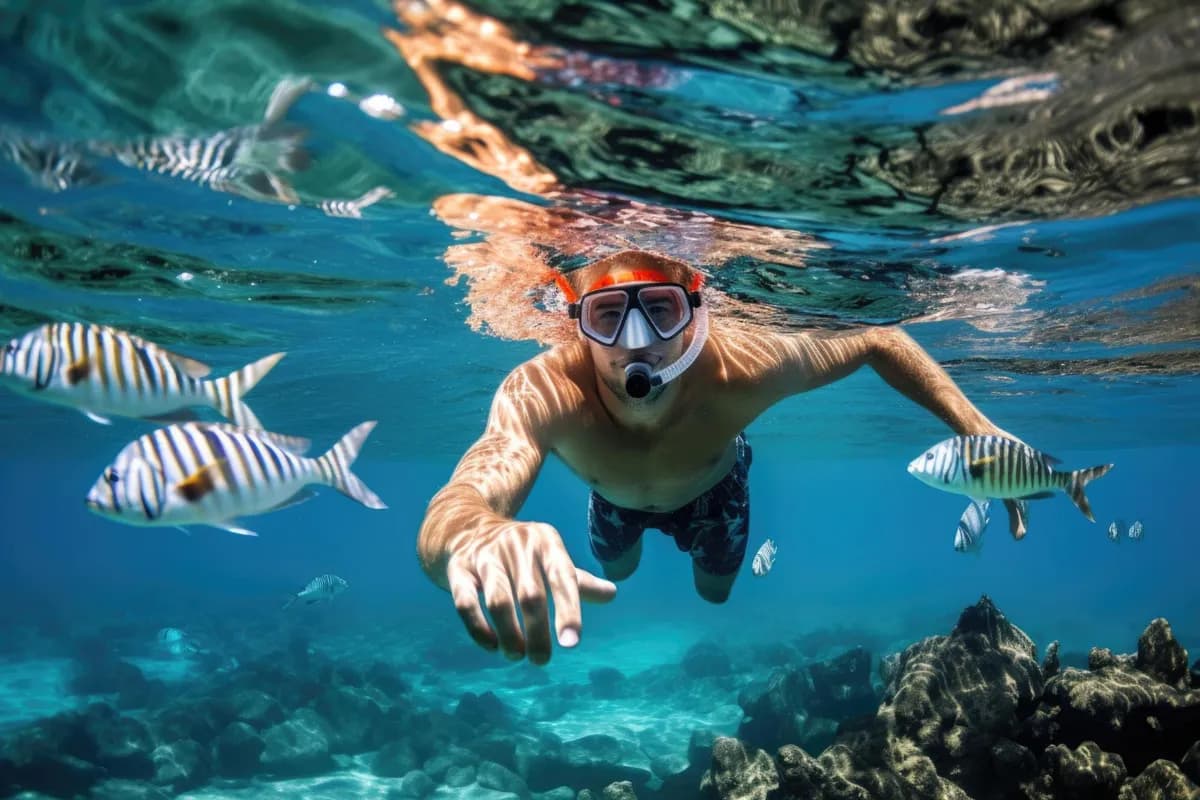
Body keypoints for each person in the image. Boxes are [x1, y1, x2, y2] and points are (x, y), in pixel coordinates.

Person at [417, 250, 1022, 664]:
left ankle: (734, 462)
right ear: (577, 324)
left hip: (716, 489)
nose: (638, 341)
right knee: (617, 575)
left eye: (660, 309)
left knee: (715, 594)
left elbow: (877, 338)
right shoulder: (545, 389)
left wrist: (976, 427)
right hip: (615, 499)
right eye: (607, 315)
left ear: (693, 317)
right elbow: (472, 484)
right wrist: (472, 538)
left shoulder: (743, 365)